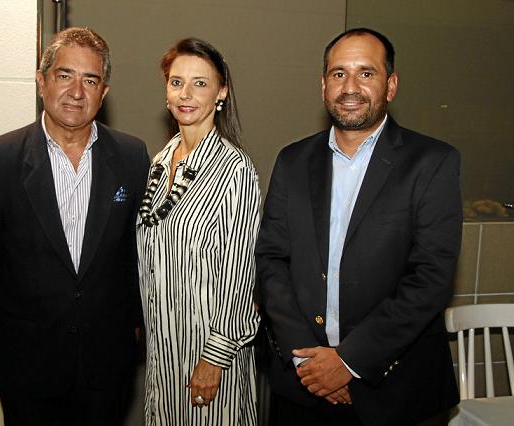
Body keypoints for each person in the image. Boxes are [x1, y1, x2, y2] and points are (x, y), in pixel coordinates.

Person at [256, 28, 462, 426]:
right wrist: (306, 356)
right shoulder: (293, 160)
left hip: (397, 393)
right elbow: (271, 260)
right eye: (338, 74)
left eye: (366, 73)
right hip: (302, 386)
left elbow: (431, 278)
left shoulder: (432, 162)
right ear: (323, 85)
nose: (350, 87)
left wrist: (349, 361)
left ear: (391, 85)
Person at [0, 27, 150, 426]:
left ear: (105, 92)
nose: (76, 91)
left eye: (90, 80)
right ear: (41, 80)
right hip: (26, 360)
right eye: (65, 75)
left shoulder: (132, 158)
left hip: (107, 362)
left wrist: (134, 325)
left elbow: (136, 251)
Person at [136, 38, 261, 425]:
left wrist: (215, 357)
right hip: (162, 352)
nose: (185, 94)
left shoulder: (236, 170)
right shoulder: (159, 161)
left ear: (221, 92)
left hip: (208, 356)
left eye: (200, 83)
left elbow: (241, 275)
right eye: (176, 82)